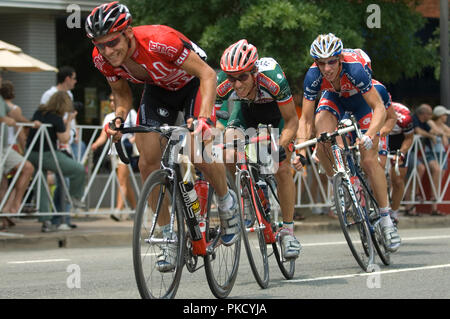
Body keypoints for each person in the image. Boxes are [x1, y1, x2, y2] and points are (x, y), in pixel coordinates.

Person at [85, 1, 240, 270]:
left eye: (112, 42)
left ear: (129, 33)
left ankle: (227, 201)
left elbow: (206, 74)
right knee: (147, 161)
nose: (108, 51)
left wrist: (203, 120)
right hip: (158, 90)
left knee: (196, 150)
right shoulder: (101, 59)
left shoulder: (160, 41)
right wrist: (120, 118)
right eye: (101, 45)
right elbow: (122, 95)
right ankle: (169, 237)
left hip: (193, 84)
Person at [293, 33, 401, 252]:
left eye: (331, 61)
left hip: (363, 102)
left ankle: (386, 219)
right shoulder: (313, 76)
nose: (327, 68)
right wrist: (302, 153)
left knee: (370, 161)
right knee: (322, 135)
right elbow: (304, 119)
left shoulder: (354, 69)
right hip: (335, 98)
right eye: (321, 63)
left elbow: (379, 109)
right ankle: (341, 182)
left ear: (340, 58)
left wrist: (370, 135)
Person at [216, 39, 301, 259]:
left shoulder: (273, 80)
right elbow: (213, 121)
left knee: (280, 167)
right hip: (247, 112)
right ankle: (246, 190)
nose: (236, 84)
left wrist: (281, 146)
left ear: (254, 72)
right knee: (226, 149)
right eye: (231, 78)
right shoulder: (222, 84)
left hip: (276, 117)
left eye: (243, 77)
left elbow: (292, 121)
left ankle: (288, 232)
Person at [26, 91, 86, 232]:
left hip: (31, 153)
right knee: (78, 169)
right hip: (47, 154)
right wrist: (70, 121)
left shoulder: (39, 112)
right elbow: (64, 138)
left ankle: (45, 220)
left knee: (41, 184)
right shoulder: (57, 118)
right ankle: (74, 199)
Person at [41, 66, 83, 229]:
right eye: (74, 78)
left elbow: (70, 117)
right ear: (67, 79)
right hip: (56, 141)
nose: (75, 81)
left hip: (67, 140)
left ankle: (63, 217)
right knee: (63, 179)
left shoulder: (69, 94)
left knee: (64, 180)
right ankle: (58, 217)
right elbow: (50, 118)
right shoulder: (49, 94)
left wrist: (76, 130)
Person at [92, 93, 137, 221]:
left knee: (122, 180)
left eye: (114, 100)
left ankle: (119, 209)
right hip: (115, 152)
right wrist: (94, 145)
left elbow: (138, 132)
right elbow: (103, 135)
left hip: (126, 151)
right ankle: (136, 208)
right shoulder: (108, 117)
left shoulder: (131, 114)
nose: (112, 102)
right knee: (125, 181)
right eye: (110, 100)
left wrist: (132, 140)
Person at [0, 74, 37, 229]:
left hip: (4, 148)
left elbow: (15, 115)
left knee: (27, 167)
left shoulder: (1, 100)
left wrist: (31, 123)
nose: (1, 81)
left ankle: (13, 206)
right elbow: (6, 118)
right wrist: (3, 120)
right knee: (2, 183)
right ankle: (4, 214)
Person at [378, 102, 415, 224]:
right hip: (378, 138)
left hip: (398, 141)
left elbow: (409, 138)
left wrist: (402, 152)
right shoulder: (371, 113)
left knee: (398, 179)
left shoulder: (404, 117)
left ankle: (394, 213)